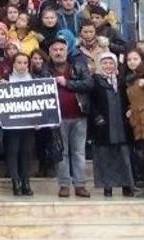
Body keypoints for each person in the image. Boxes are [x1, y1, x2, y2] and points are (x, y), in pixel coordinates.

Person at [48, 37, 93, 198]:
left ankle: (80, 185)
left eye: (61, 49)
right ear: (50, 52)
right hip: (57, 118)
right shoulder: (46, 70)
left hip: (79, 116)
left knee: (79, 152)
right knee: (62, 153)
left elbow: (89, 84)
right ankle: (64, 185)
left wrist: (67, 83)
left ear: (67, 51)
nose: (58, 53)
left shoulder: (78, 65)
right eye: (55, 50)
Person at [90, 52, 136, 197]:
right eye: (104, 63)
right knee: (105, 157)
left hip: (122, 125)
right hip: (104, 126)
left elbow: (129, 100)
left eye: (111, 63)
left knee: (124, 156)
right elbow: (91, 103)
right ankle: (107, 186)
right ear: (100, 65)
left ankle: (127, 185)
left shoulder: (121, 82)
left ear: (115, 65)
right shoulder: (95, 81)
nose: (108, 66)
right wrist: (97, 117)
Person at [3, 53, 36, 196]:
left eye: (25, 63)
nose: (22, 66)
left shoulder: (34, 80)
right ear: (13, 64)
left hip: (29, 124)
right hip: (12, 125)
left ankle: (26, 182)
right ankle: (15, 182)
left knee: (26, 153)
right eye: (19, 62)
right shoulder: (7, 80)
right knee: (13, 152)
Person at [123, 48, 144, 187]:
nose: (132, 62)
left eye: (135, 59)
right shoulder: (129, 79)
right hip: (137, 121)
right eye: (129, 59)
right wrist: (130, 109)